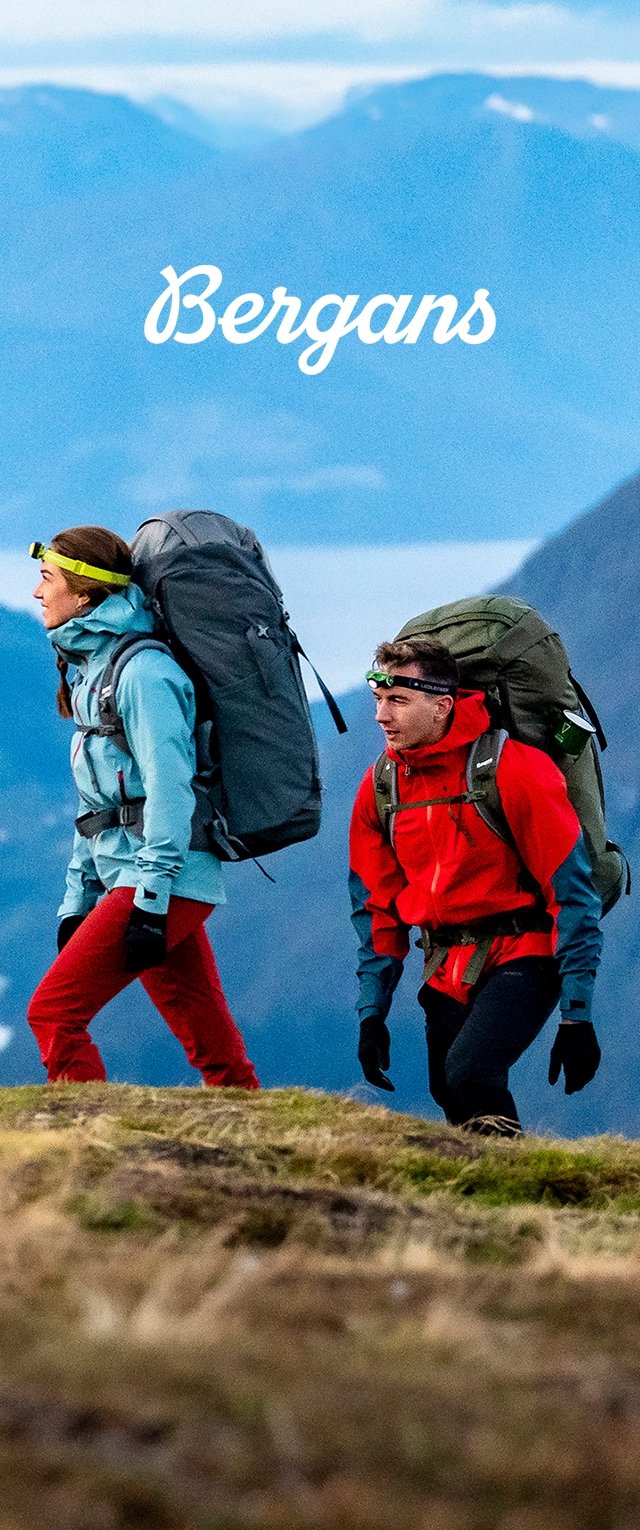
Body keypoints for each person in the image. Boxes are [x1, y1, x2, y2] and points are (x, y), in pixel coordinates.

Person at [27, 526, 259, 1089]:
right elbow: (100, 802)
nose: (37, 592)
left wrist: (150, 900)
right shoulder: (91, 670)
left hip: (162, 876)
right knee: (210, 1041)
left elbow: (170, 790)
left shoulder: (144, 674)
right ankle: (263, 1140)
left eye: (47, 578)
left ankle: (82, 1150)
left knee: (53, 1014)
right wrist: (76, 901)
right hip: (141, 876)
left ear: (84, 596)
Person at [349, 635, 603, 1135]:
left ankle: (526, 1197)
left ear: (443, 705)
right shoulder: (381, 786)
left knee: (470, 1074)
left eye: (397, 701)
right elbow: (375, 907)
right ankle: (499, 1201)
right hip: (446, 963)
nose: (381, 716)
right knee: (450, 1089)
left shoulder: (515, 771)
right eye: (378, 700)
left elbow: (573, 893)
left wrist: (577, 1016)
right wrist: (371, 1011)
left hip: (527, 950)